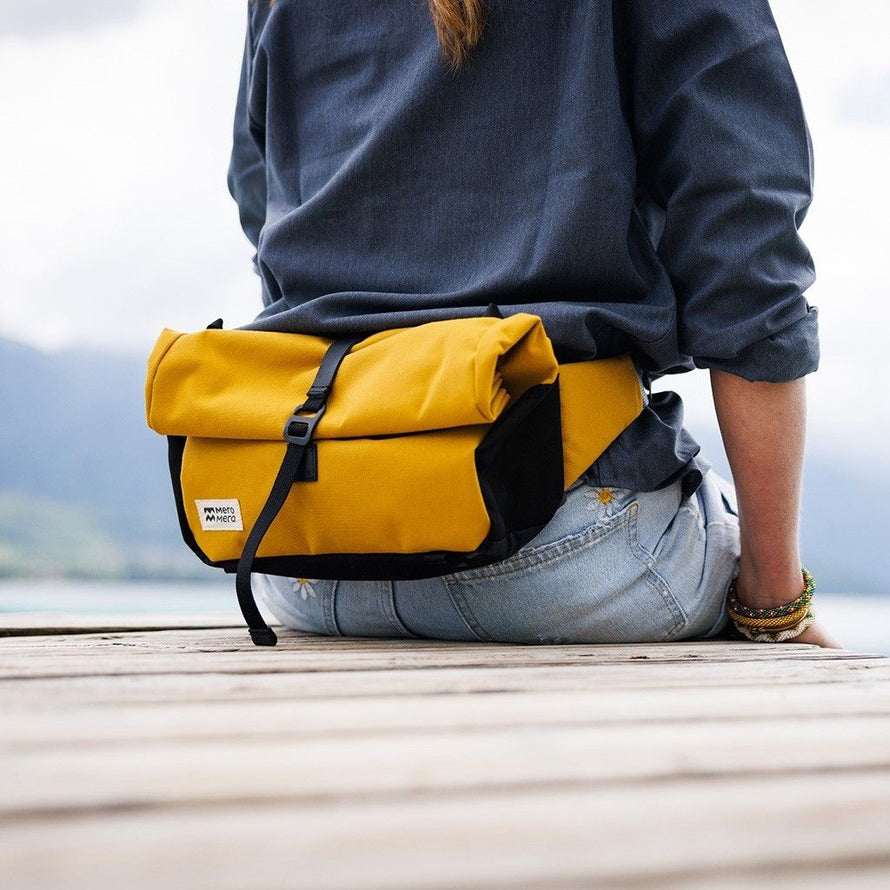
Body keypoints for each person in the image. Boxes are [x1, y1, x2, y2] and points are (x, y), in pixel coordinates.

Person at [227, 0, 840, 648]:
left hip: (306, 555)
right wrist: (776, 603)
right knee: (723, 530)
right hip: (557, 547)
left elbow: (257, 193)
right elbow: (743, 234)